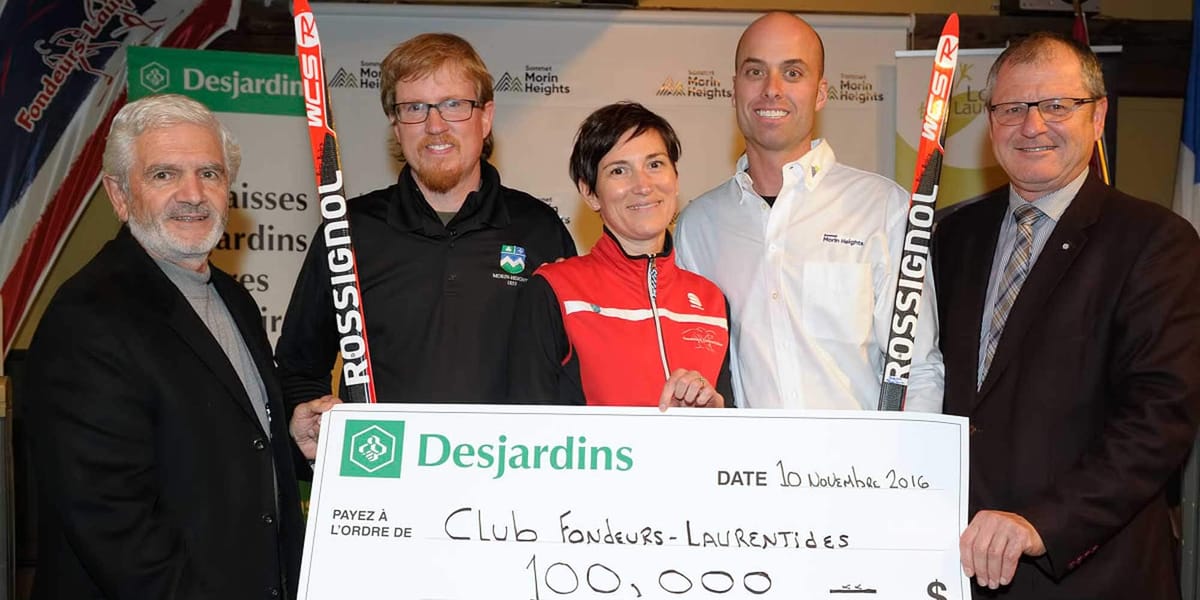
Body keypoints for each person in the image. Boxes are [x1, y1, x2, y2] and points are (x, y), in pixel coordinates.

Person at [24, 94, 334, 600]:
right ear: (120, 195)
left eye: (209, 174)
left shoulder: (231, 297)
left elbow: (221, 439)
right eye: (164, 175)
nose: (193, 194)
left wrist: (288, 434)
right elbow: (112, 520)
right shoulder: (88, 318)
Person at [933, 33, 1200, 598]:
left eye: (1057, 105)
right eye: (1012, 108)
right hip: (959, 567)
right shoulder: (952, 237)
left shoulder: (1156, 242)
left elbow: (1160, 418)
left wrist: (1042, 524)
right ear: (989, 121)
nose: (1032, 126)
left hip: (1091, 574)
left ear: (1098, 116)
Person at [276, 33, 576, 408]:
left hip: (504, 462)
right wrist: (311, 419)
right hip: (383, 461)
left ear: (486, 118)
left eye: (454, 104)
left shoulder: (540, 229)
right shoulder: (349, 231)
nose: (435, 125)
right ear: (396, 124)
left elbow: (573, 368)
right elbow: (298, 369)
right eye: (415, 108)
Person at [674, 12, 943, 410]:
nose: (772, 89)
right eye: (755, 72)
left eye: (793, 73)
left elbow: (918, 373)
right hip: (745, 469)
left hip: (857, 470)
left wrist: (903, 466)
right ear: (734, 89)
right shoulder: (699, 225)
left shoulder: (882, 208)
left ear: (820, 92)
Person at [508, 102, 732, 408]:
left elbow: (732, 432)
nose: (642, 185)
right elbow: (529, 428)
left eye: (655, 164)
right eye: (618, 170)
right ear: (590, 193)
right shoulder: (554, 290)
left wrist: (714, 413)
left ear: (676, 179)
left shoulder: (712, 301)